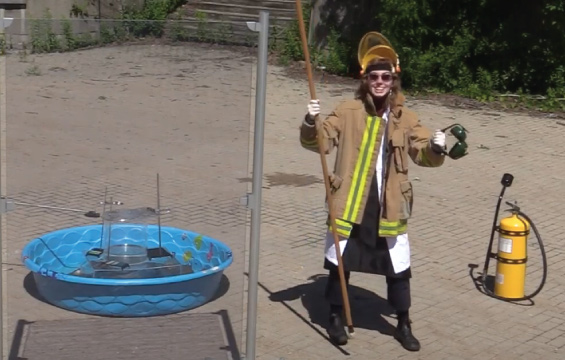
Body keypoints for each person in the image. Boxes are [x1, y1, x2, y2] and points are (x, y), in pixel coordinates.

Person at [299, 32, 446, 352]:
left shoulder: (406, 117)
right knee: (340, 262)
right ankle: (336, 317)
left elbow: (423, 155)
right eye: (373, 76)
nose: (380, 81)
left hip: (388, 205)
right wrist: (311, 121)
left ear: (394, 80)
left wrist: (436, 148)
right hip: (351, 202)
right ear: (364, 79)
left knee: (398, 266)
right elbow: (319, 142)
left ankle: (403, 322)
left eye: (386, 76)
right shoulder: (348, 110)